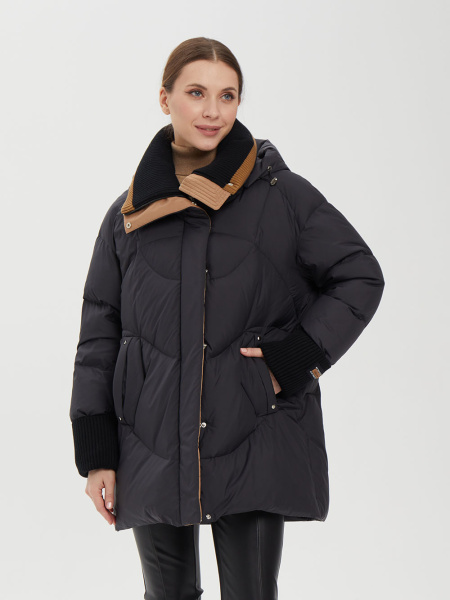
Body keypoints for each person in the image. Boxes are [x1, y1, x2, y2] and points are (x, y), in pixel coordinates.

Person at [69, 37, 384, 600]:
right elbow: (100, 335)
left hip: (253, 430)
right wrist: (96, 455)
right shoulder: (128, 217)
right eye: (196, 93)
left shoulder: (282, 195)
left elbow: (360, 275)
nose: (213, 111)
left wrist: (292, 361)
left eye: (227, 95)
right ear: (164, 99)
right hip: (151, 439)